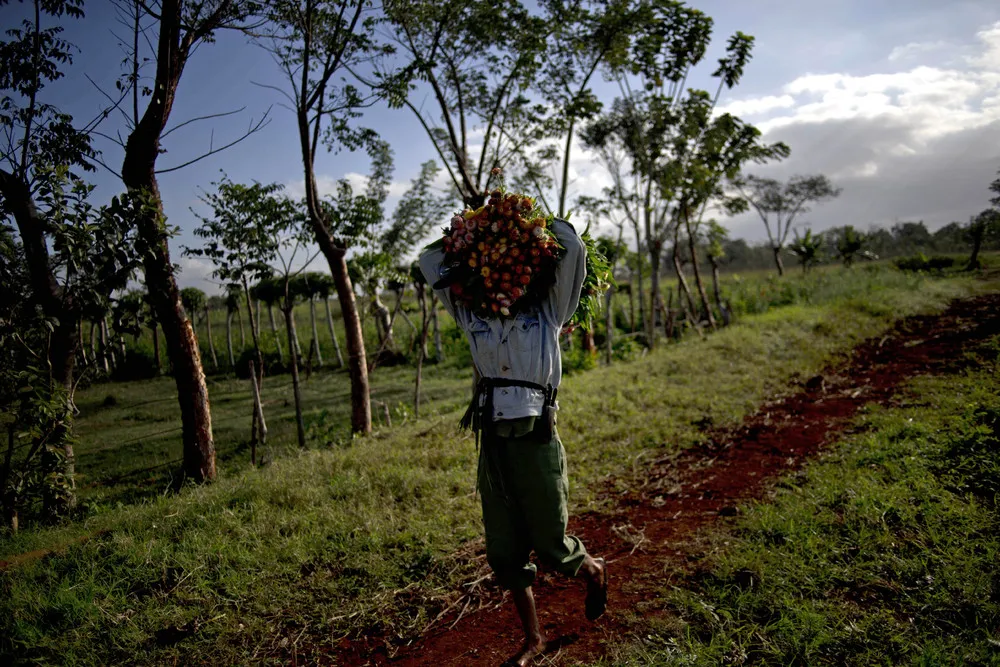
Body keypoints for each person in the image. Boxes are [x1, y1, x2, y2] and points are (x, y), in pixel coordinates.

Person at [420, 217, 608, 667]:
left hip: (536, 436)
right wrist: (479, 229)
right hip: (493, 444)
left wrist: (526, 223)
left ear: (529, 271)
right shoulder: (472, 316)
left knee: (550, 545)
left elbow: (573, 251)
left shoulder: (548, 312)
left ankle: (594, 570)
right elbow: (429, 261)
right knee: (504, 550)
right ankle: (534, 640)